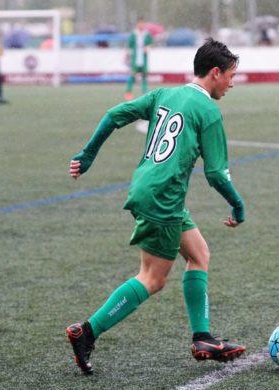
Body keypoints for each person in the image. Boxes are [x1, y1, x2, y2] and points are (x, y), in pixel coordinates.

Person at [66, 38, 246, 374]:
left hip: (154, 189)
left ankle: (202, 337)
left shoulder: (167, 93)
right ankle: (87, 332)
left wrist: (87, 155)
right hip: (163, 197)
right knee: (153, 277)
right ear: (215, 73)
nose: (233, 83)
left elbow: (115, 114)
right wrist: (238, 207)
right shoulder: (208, 111)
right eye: (231, 75)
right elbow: (217, 174)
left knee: (198, 254)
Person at [124, 17, 153, 101]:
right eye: (140, 23)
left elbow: (150, 43)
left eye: (143, 23)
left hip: (143, 58)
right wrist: (127, 55)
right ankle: (128, 92)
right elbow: (129, 45)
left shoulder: (146, 34)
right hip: (135, 58)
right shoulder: (134, 34)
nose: (141, 25)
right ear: (137, 24)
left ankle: (144, 92)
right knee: (133, 74)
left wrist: (148, 47)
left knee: (144, 75)